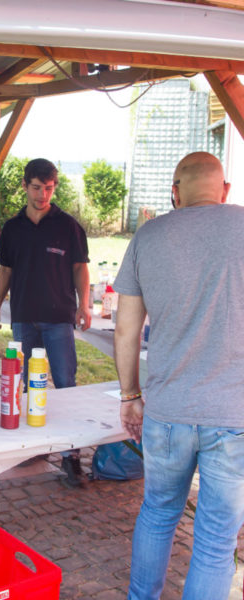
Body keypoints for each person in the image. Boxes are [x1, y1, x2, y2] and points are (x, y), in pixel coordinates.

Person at [113, 152, 244, 600]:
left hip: (168, 410)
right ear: (224, 190)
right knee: (215, 540)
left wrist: (130, 395)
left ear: (175, 191)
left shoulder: (148, 236)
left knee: (158, 512)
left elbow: (126, 328)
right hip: (234, 413)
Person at [0, 158, 91, 487]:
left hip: (59, 318)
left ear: (55, 187)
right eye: (37, 187)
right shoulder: (11, 228)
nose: (42, 195)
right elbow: (4, 271)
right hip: (22, 317)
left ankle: (71, 457)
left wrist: (85, 305)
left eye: (49, 188)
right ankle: (31, 448)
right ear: (25, 185)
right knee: (22, 387)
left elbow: (80, 268)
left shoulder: (68, 226)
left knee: (66, 385)